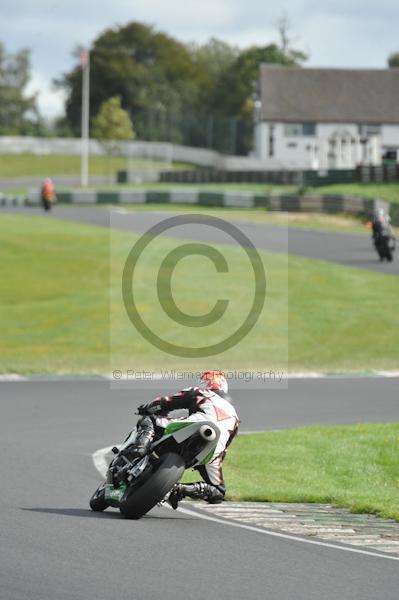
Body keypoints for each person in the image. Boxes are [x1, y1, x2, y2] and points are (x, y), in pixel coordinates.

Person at [122, 370, 239, 509]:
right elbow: (224, 448)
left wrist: (148, 408)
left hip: (195, 425)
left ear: (205, 383)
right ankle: (183, 490)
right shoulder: (235, 418)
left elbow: (166, 402)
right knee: (218, 492)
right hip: (214, 448)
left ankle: (139, 447)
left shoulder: (200, 392)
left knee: (149, 420)